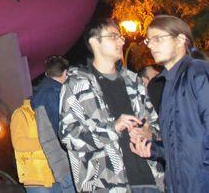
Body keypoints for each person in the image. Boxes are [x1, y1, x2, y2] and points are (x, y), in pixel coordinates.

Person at [59, 18, 163, 191]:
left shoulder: (134, 81)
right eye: (114, 36)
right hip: (107, 185)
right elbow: (69, 137)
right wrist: (112, 128)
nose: (121, 40)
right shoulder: (76, 85)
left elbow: (157, 125)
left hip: (151, 181)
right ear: (94, 42)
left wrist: (149, 132)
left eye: (121, 36)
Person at [130, 15, 209, 191]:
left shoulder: (198, 73)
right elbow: (179, 145)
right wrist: (153, 150)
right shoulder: (166, 84)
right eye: (149, 40)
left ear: (180, 39)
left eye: (157, 39)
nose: (150, 45)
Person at [30, 55, 73, 192]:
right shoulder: (55, 94)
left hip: (53, 160)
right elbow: (63, 131)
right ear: (66, 72)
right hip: (65, 160)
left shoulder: (40, 94)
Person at [10, 98, 56, 191]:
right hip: (36, 178)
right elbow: (19, 143)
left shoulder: (46, 111)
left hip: (56, 175)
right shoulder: (21, 114)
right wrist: (47, 142)